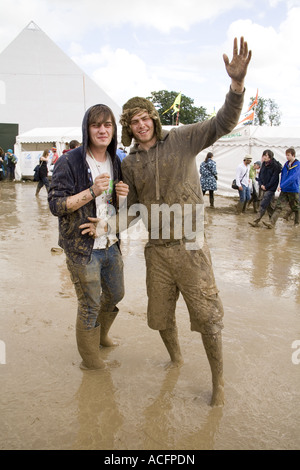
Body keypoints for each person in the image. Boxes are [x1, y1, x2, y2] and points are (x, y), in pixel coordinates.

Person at [84, 37, 252, 406]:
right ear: (127, 127)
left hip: (191, 245)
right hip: (157, 251)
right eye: (133, 121)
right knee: (159, 318)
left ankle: (218, 384)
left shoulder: (184, 139)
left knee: (208, 319)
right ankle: (176, 358)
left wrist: (236, 86)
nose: (141, 124)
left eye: (146, 117)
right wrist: (106, 226)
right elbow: (135, 210)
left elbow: (224, 121)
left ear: (154, 119)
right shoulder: (130, 164)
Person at [48, 104, 129, 370]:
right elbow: (56, 206)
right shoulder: (69, 161)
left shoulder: (116, 160)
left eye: (108, 125)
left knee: (116, 294)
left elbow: (116, 207)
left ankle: (101, 335)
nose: (102, 130)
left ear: (113, 129)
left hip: (110, 242)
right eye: (97, 125)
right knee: (90, 304)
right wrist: (91, 191)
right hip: (82, 248)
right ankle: (90, 361)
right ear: (87, 129)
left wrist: (121, 197)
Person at [263, 147, 300, 228]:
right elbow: (283, 175)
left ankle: (297, 223)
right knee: (278, 206)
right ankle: (272, 223)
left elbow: (293, 178)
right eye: (286, 155)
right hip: (285, 190)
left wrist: (282, 185)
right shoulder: (286, 164)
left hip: (293, 189)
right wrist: (281, 185)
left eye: (288, 155)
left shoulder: (297, 165)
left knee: (296, 207)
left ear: (293, 155)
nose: (287, 157)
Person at [248, 149, 282, 228]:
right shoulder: (264, 164)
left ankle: (256, 221)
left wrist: (267, 186)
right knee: (269, 205)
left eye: (266, 156)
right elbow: (261, 175)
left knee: (263, 204)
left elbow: (274, 178)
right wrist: (261, 184)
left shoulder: (275, 165)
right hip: (263, 186)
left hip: (271, 188)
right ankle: (272, 222)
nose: (265, 157)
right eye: (264, 155)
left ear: (270, 157)